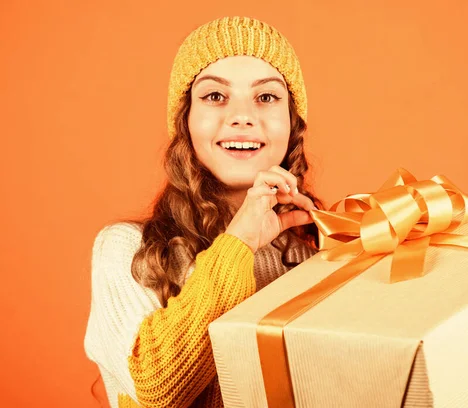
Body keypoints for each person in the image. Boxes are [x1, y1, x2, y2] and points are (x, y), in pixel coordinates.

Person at [84, 16, 323, 408]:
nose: (243, 116)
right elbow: (156, 395)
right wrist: (240, 242)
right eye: (215, 96)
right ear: (186, 121)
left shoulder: (322, 251)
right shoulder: (126, 252)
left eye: (266, 97)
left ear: (292, 122)